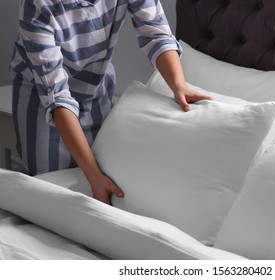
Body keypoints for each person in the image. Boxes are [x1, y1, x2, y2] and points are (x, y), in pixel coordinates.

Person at [9, 0, 211, 205]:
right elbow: (57, 97)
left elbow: (156, 33)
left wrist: (178, 85)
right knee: (51, 197)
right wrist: (94, 175)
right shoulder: (37, 4)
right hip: (44, 99)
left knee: (103, 186)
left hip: (97, 86)